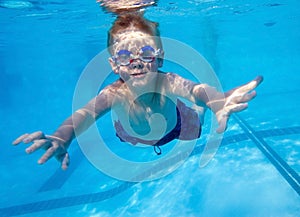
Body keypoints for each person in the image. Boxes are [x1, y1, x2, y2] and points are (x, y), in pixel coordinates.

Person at [12, 11, 263, 170]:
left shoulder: (167, 81)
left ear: (160, 58)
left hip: (179, 126)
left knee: (198, 112)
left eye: (145, 53)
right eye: (124, 56)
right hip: (131, 135)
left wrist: (215, 101)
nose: (136, 63)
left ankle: (211, 96)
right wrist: (60, 138)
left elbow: (196, 89)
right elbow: (85, 114)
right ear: (113, 65)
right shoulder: (113, 93)